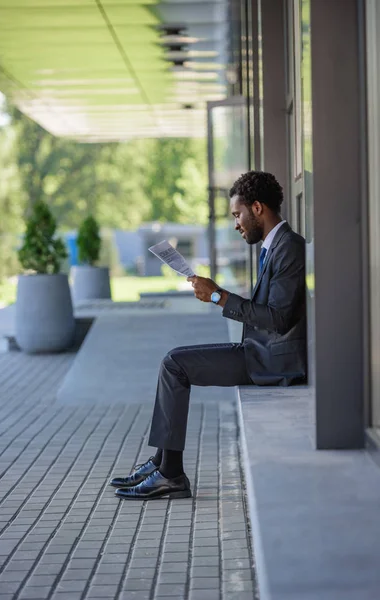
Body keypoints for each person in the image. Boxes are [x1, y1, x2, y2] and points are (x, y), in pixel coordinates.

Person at [110, 171, 306, 500]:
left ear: (257, 208)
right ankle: (163, 463)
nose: (236, 224)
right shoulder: (275, 247)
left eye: (237, 214)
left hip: (272, 361)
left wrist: (219, 296)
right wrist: (217, 295)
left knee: (176, 364)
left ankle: (169, 473)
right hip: (259, 351)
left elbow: (279, 318)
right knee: (173, 362)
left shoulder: (288, 247)